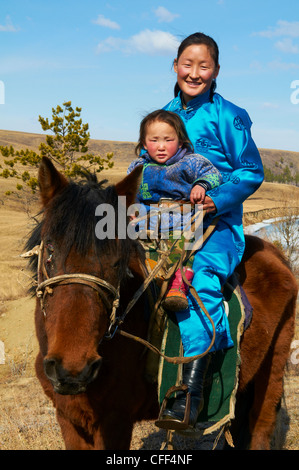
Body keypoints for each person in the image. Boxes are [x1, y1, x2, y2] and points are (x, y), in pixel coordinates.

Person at [152, 32, 264, 431]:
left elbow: (251, 171)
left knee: (198, 279)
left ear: (216, 71)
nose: (194, 73)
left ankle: (191, 392)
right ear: (175, 65)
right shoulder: (164, 114)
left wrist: (218, 198)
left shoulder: (229, 115)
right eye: (187, 64)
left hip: (216, 223)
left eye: (204, 65)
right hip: (167, 221)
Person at [127, 109, 223, 311]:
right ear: (144, 143)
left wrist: (201, 185)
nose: (161, 146)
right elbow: (130, 191)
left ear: (180, 141)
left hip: (182, 220)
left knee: (181, 250)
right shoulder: (138, 166)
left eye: (168, 140)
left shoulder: (191, 161)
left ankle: (180, 281)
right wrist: (130, 210)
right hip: (147, 220)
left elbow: (214, 174)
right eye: (154, 140)